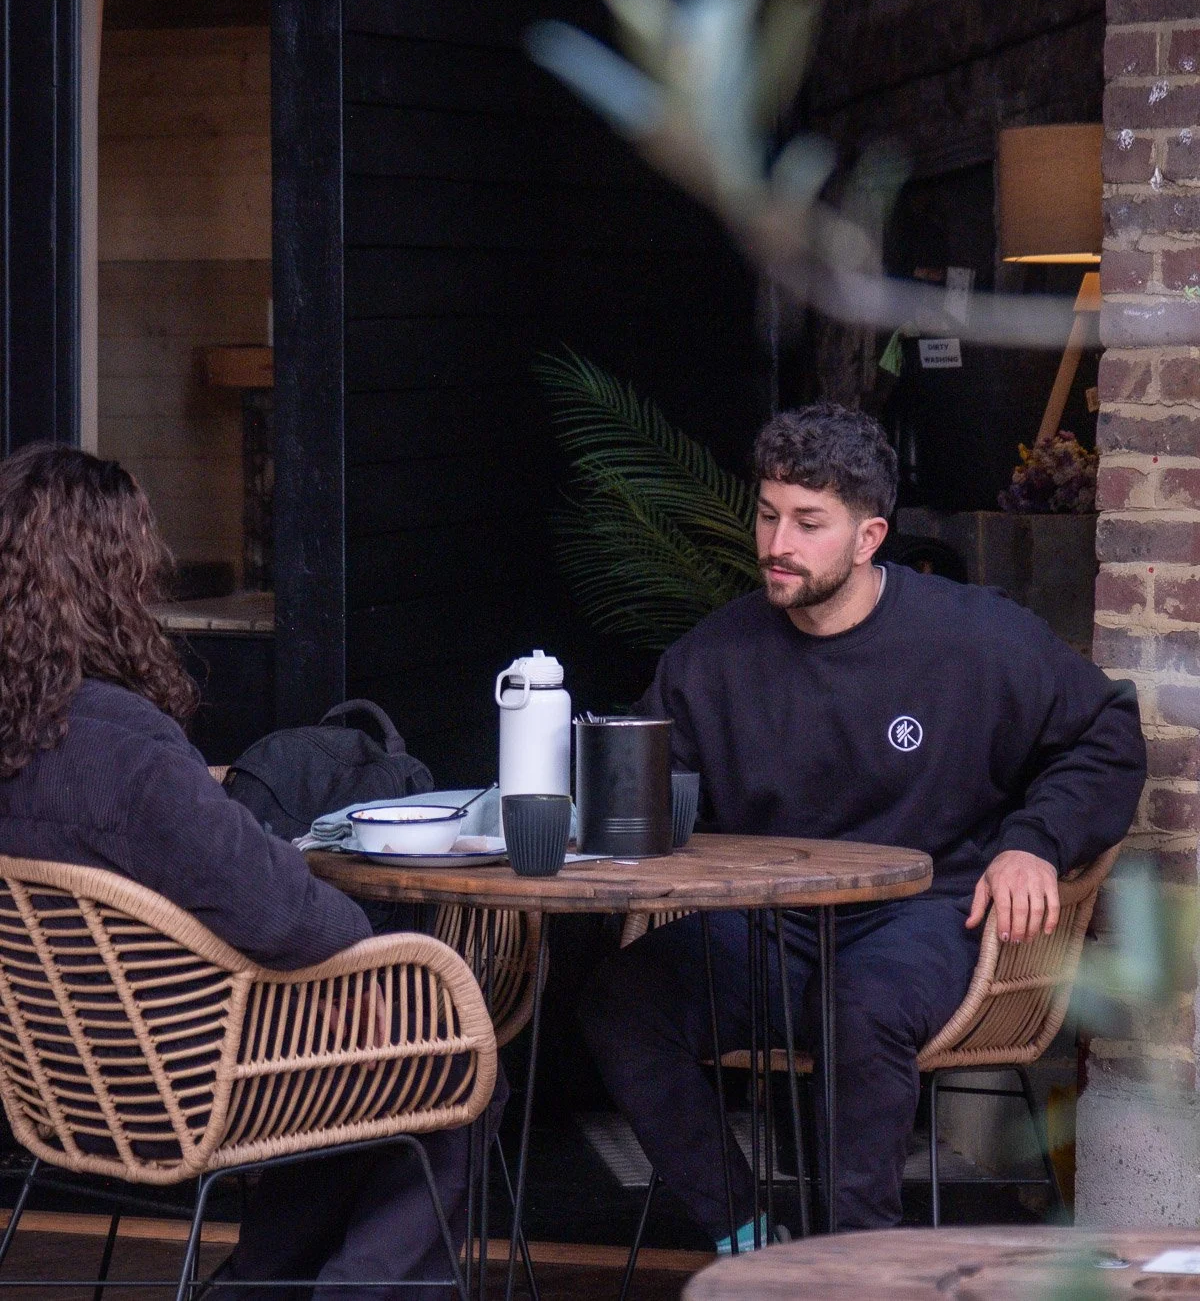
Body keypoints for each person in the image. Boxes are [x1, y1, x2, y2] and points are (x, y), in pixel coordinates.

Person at [579, 402, 1145, 1240]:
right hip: (770, 930)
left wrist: (1034, 843)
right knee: (621, 1000)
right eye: (769, 515)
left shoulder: (972, 638)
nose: (777, 543)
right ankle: (745, 1233)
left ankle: (858, 1261)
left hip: (927, 916)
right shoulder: (711, 659)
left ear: (870, 536)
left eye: (809, 523)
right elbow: (645, 803)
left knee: (865, 1004)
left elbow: (1108, 733)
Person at [0, 442, 502, 1300]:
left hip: (62, 1083)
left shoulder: (29, 735)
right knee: (444, 1046)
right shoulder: (126, 754)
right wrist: (351, 951)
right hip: (193, 1075)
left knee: (366, 1058)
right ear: (110, 579)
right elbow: (268, 904)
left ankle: (258, 1285)